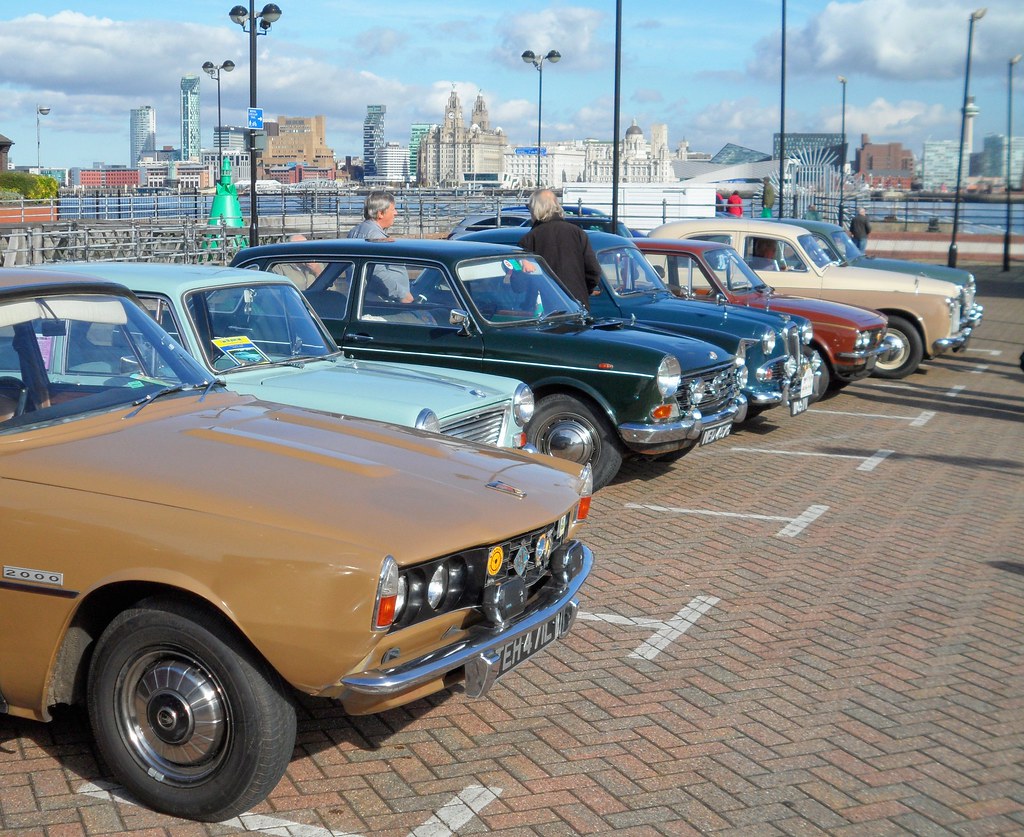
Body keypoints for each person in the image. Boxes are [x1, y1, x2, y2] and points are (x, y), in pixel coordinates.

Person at [518, 188, 602, 311]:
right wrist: (583, 291)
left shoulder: (529, 239)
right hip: (577, 305)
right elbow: (594, 271)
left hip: (545, 309)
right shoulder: (578, 233)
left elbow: (521, 283)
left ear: (535, 209)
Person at [348, 191, 412, 303]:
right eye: (393, 210)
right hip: (384, 303)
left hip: (364, 300)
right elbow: (377, 272)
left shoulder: (354, 232)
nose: (396, 213)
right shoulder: (377, 238)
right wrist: (402, 295)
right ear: (380, 214)